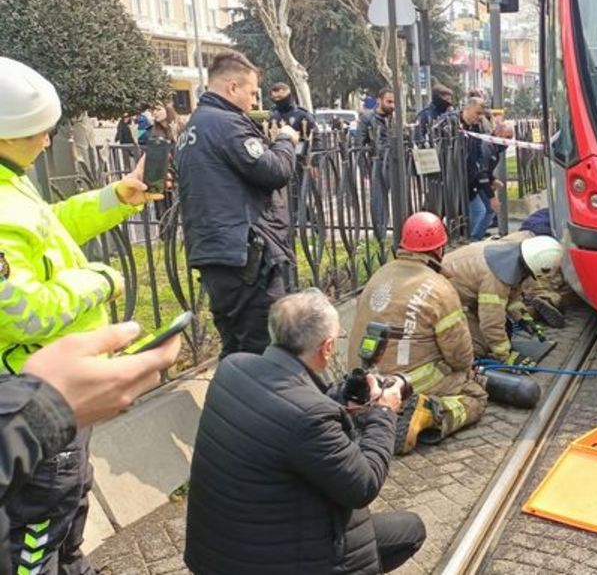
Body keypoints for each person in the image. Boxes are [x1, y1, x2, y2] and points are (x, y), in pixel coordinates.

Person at [0, 56, 162, 575]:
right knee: (39, 524)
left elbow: (49, 226)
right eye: (36, 134)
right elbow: (20, 312)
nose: (47, 142)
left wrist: (115, 197)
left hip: (59, 394)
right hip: (32, 394)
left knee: (70, 498)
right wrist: (100, 281)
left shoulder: (11, 178)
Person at [185, 289, 426, 574]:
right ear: (326, 347)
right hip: (273, 563)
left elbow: (285, 417)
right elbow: (364, 485)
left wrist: (338, 403)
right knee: (411, 529)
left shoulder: (232, 369)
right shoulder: (310, 417)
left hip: (219, 554)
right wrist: (384, 412)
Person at [0, 323, 182, 568]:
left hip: (51, 414)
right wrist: (39, 414)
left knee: (69, 525)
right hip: (32, 416)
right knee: (34, 550)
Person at [176, 52, 300, 358]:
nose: (255, 101)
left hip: (215, 253)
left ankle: (231, 404)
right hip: (245, 257)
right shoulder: (228, 125)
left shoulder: (193, 127)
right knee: (267, 350)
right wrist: (285, 140)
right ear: (232, 87)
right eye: (252, 92)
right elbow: (274, 171)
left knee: (235, 347)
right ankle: (264, 406)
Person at [347, 212, 488, 455]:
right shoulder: (440, 288)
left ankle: (369, 412)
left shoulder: (380, 273)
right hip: (404, 381)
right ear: (439, 249)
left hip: (361, 377)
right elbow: (460, 357)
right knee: (475, 395)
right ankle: (427, 415)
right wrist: (468, 374)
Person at [441, 235, 563, 363]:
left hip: (464, 294)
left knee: (504, 328)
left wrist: (523, 319)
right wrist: (506, 355)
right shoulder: (494, 279)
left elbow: (512, 296)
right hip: (448, 304)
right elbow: (491, 322)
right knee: (480, 347)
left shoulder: (510, 258)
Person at [498, 212, 568, 329]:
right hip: (542, 244)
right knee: (547, 281)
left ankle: (519, 310)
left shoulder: (548, 210)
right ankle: (545, 300)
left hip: (518, 241)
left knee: (520, 282)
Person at [462, 98, 500, 241]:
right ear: (468, 108)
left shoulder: (475, 128)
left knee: (480, 211)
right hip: (456, 179)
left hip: (471, 179)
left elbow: (477, 159)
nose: (479, 117)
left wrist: (492, 179)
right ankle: (469, 239)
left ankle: (470, 239)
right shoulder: (453, 123)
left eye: (481, 114)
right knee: (479, 211)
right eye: (477, 113)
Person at [361, 88, 396, 240]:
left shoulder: (394, 118)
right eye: (389, 101)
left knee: (398, 197)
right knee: (378, 199)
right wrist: (364, 169)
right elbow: (360, 144)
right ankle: (379, 233)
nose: (392, 105)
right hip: (377, 164)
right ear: (379, 101)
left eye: (394, 102)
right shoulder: (367, 118)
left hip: (394, 163)